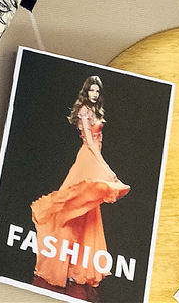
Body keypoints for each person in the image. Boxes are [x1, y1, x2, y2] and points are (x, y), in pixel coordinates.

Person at [30, 75, 130, 289]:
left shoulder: (96, 110)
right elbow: (91, 143)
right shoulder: (84, 110)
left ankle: (75, 269)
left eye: (97, 91)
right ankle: (57, 267)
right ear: (86, 91)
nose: (94, 94)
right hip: (88, 159)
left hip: (94, 158)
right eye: (91, 90)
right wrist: (107, 169)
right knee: (72, 207)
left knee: (87, 211)